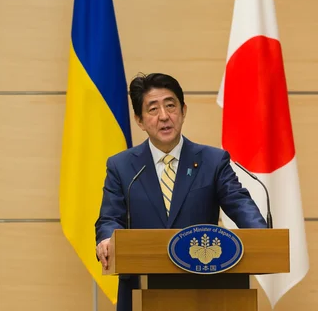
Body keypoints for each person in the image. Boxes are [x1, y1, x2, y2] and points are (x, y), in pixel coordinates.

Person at [95, 73, 266, 311]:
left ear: (183, 111)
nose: (164, 116)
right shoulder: (122, 167)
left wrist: (262, 236)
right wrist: (107, 239)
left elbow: (239, 203)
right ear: (140, 120)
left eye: (170, 106)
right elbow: (110, 218)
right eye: (153, 109)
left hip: (203, 289)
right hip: (140, 289)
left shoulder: (213, 161)